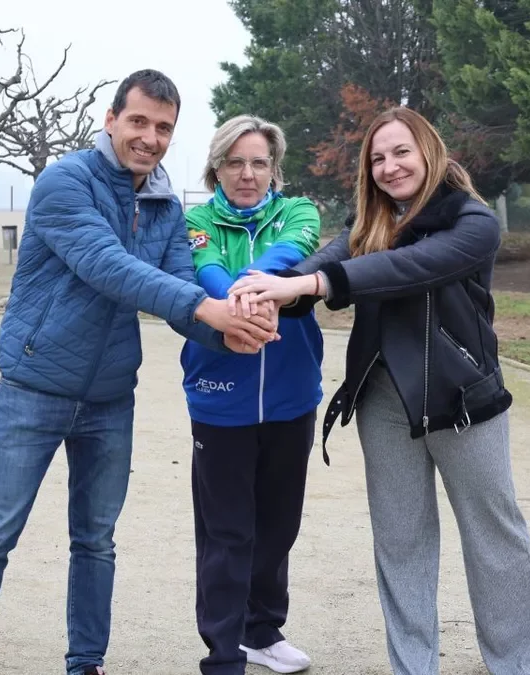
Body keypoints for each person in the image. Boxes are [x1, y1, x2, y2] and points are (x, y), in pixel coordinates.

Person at [0, 70, 279, 675]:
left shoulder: (166, 206)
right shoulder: (65, 181)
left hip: (110, 398)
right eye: (139, 121)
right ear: (111, 119)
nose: (150, 137)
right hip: (33, 387)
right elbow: (107, 264)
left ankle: (86, 663)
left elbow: (175, 287)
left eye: (164, 128)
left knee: (96, 542)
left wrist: (230, 334)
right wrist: (207, 308)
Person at [228, 107, 530, 675]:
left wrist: (318, 283)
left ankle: (522, 665)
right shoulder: (370, 226)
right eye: (377, 157)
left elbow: (409, 268)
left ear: (431, 152)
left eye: (401, 152)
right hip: (381, 401)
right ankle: (412, 666)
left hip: (462, 402)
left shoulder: (473, 224)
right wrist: (277, 289)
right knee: (400, 544)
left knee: (494, 538)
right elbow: (326, 261)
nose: (389, 166)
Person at [180, 115, 323, 675]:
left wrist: (252, 286)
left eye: (258, 162)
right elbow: (206, 266)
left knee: (279, 524)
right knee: (227, 531)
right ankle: (222, 653)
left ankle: (262, 631)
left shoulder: (300, 211)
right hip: (220, 400)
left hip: (291, 398)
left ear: (273, 168)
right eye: (234, 162)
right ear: (216, 168)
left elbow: (290, 253)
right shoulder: (194, 219)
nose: (247, 173)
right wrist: (244, 297)